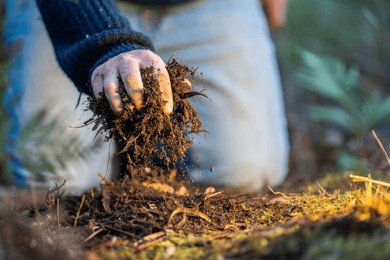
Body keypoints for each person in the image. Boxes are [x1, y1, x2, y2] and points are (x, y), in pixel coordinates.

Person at [3, 0, 289, 193]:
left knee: (246, 175)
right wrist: (104, 42)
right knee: (54, 183)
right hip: (68, 9)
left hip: (209, 6)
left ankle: (148, 165)